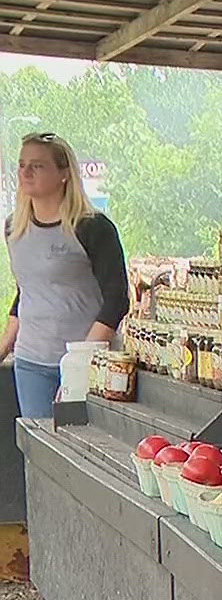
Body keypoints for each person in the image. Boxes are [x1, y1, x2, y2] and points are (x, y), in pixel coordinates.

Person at [0, 132, 128, 419]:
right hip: (31, 360)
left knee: (82, 450)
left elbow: (116, 300)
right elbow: (27, 291)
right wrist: (5, 345)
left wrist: (81, 361)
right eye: (21, 164)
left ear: (64, 174)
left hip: (88, 362)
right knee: (39, 452)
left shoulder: (92, 227)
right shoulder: (13, 228)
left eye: (38, 165)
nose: (26, 172)